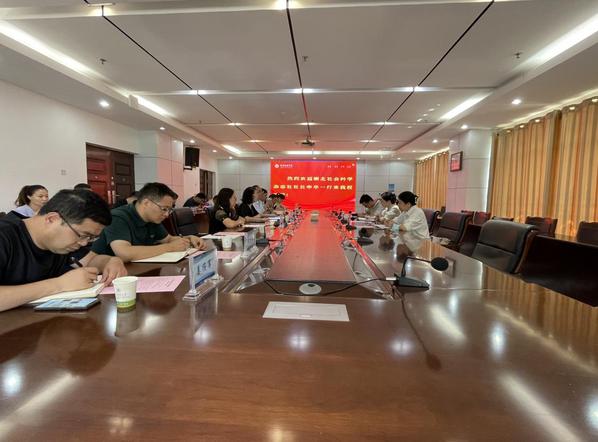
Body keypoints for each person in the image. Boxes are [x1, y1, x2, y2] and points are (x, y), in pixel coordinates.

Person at [0, 189, 127, 312]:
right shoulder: (5, 236)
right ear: (52, 219)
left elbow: (91, 260)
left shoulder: (62, 244)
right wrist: (59, 285)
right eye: (83, 235)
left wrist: (111, 261)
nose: (84, 243)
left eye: (90, 238)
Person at [91, 182, 206, 262]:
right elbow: (124, 253)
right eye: (164, 209)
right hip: (109, 276)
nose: (167, 214)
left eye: (169, 210)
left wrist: (188, 239)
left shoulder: (153, 219)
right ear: (146, 203)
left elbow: (168, 239)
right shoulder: (118, 217)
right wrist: (169, 247)